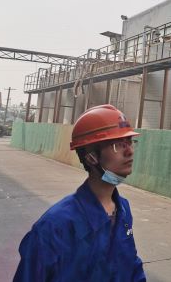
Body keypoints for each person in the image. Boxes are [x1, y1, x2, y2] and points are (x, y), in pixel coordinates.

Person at [14, 104, 146, 282]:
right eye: (117, 145)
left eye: (130, 142)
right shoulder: (55, 226)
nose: (129, 151)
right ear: (91, 157)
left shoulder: (123, 209)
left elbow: (131, 266)